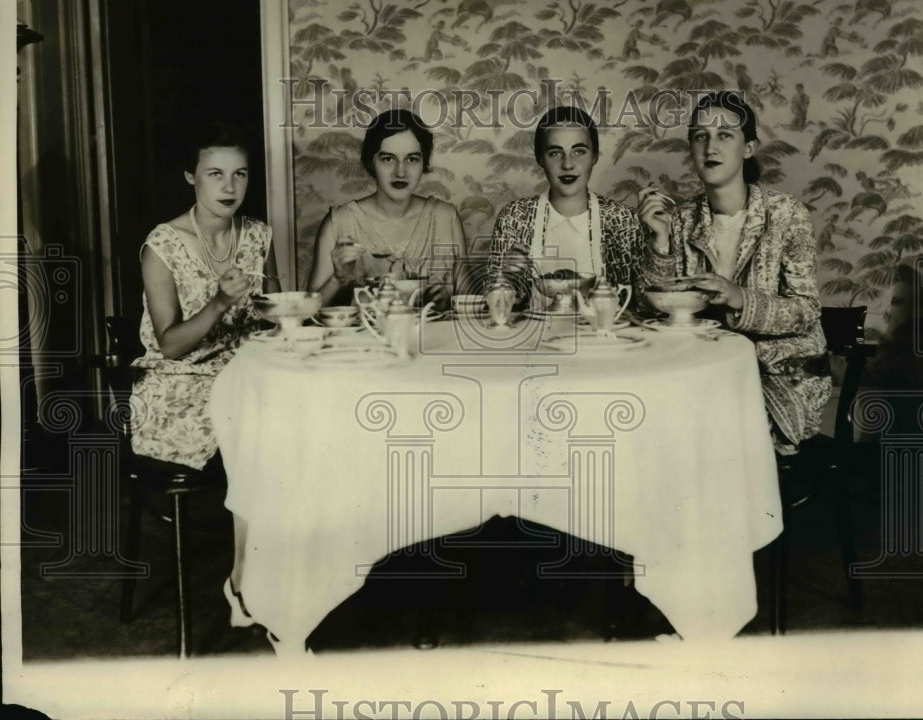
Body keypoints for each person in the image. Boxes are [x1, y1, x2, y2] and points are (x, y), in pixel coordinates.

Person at [129, 119, 278, 634]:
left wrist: (335, 282)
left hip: (247, 374)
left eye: (240, 174)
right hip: (178, 391)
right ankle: (245, 582)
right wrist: (218, 302)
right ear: (191, 176)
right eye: (216, 174)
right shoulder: (162, 245)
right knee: (262, 434)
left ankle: (285, 574)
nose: (230, 187)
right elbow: (169, 344)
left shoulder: (257, 235)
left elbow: (276, 314)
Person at [638, 91, 831, 454]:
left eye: (725, 135)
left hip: (780, 378)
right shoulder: (680, 220)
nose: (711, 146)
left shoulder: (787, 215)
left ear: (748, 147)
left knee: (698, 435)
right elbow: (652, 313)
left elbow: (807, 312)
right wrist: (660, 243)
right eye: (700, 136)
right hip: (704, 373)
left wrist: (739, 297)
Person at [307, 109, 467, 308]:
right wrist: (337, 279)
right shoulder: (339, 222)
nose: (400, 172)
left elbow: (469, 305)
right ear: (370, 162)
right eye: (388, 159)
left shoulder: (446, 218)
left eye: (412, 159)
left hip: (434, 338)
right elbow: (307, 315)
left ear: (423, 162)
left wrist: (448, 295)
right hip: (363, 339)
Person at [487, 105, 645, 304]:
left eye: (579, 151)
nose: (567, 164)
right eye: (555, 153)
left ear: (595, 156)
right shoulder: (514, 217)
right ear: (540, 159)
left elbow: (642, 303)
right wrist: (508, 277)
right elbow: (495, 305)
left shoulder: (623, 220)